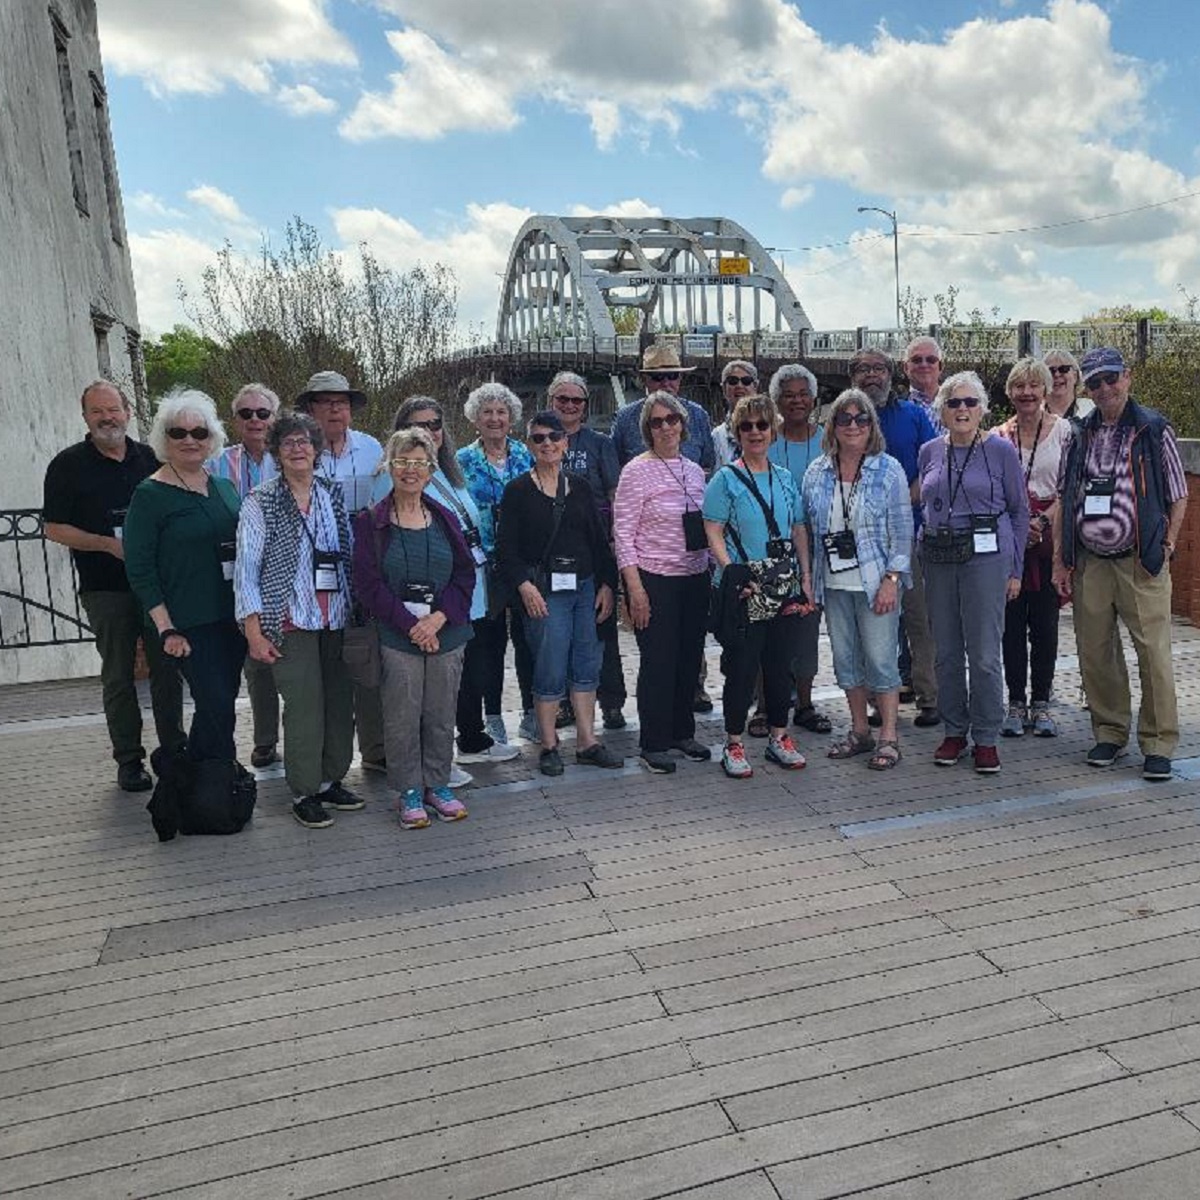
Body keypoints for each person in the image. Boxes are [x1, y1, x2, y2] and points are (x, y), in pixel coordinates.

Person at [1053, 347, 1188, 782]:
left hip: (1139, 561)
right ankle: (1110, 732)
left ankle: (1158, 742)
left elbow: (1178, 493)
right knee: (1096, 654)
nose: (1105, 388)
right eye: (1094, 383)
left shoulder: (1151, 428)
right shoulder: (1080, 433)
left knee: (1153, 654)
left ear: (1126, 377)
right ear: (1086, 388)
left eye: (1111, 378)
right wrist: (1062, 558)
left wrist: (1166, 545)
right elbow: (1065, 495)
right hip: (1092, 562)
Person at [42, 381, 185, 792]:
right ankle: (129, 760)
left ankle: (174, 750)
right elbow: (53, 528)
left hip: (156, 586)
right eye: (97, 411)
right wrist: (107, 544)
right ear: (85, 417)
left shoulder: (152, 457)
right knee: (119, 674)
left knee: (166, 670)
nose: (107, 418)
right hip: (106, 587)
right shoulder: (67, 465)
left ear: (128, 412)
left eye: (113, 409)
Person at [374, 396, 516, 779]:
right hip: (424, 597)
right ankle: (431, 764)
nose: (429, 432)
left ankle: (469, 739)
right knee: (424, 686)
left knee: (464, 672)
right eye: (419, 425)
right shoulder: (392, 477)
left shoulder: (450, 472)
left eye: (435, 424)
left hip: (465, 586)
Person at [235, 411, 362, 828]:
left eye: (304, 441)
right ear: (276, 451)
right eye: (288, 442)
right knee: (305, 708)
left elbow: (346, 552)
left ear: (316, 448)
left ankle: (331, 780)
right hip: (291, 620)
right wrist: (253, 630)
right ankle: (305, 789)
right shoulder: (261, 500)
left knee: (338, 704)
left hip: (335, 617)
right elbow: (246, 570)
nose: (297, 448)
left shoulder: (331, 493)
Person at [354, 428, 475, 829]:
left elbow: (464, 575)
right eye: (402, 461)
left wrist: (438, 619)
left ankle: (437, 784)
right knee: (402, 714)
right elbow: (368, 586)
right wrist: (412, 626)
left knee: (440, 713)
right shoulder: (372, 523)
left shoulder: (445, 517)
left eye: (419, 463)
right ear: (390, 466)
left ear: (430, 469)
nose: (410, 470)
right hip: (397, 635)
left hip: (447, 633)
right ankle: (408, 790)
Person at [496, 410, 622, 777]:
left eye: (554, 437)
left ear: (566, 442)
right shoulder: (517, 491)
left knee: (586, 663)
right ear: (530, 444)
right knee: (549, 666)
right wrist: (524, 586)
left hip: (584, 587)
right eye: (539, 438)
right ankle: (549, 744)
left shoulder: (579, 486)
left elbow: (599, 541)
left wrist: (607, 584)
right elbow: (506, 550)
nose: (548, 443)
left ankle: (587, 741)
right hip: (544, 590)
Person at [123, 389, 246, 766]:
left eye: (200, 432)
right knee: (214, 702)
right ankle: (206, 783)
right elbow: (139, 566)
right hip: (188, 623)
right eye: (179, 433)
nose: (190, 440)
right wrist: (165, 627)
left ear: (212, 439)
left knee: (222, 703)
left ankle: (212, 782)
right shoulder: (150, 495)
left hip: (231, 617)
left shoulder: (222, 486)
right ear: (165, 438)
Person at [918, 372, 1029, 774]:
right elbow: (927, 505)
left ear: (982, 408)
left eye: (969, 403)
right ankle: (954, 730)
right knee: (946, 653)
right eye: (953, 403)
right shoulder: (930, 450)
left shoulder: (1000, 451)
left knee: (983, 654)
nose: (961, 410)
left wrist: (1015, 568)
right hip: (940, 556)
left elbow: (1019, 511)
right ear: (942, 411)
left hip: (986, 558)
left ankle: (986, 735)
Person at [703, 392, 813, 779]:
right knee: (743, 668)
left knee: (780, 665)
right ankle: (733, 742)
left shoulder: (784, 479)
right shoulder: (725, 479)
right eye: (746, 426)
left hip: (781, 583)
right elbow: (712, 529)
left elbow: (797, 528)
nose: (755, 432)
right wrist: (731, 570)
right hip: (745, 587)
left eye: (762, 425)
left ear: (774, 430)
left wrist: (806, 577)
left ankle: (779, 736)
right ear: (736, 432)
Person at [803, 389, 911, 769]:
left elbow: (902, 532)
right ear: (832, 425)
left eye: (860, 419)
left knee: (882, 661)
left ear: (871, 425)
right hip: (832, 584)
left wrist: (892, 579)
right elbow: (808, 530)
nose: (852, 425)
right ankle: (860, 731)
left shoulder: (889, 469)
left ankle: (889, 736)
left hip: (875, 581)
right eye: (843, 418)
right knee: (846, 661)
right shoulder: (816, 471)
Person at [612, 391, 713, 774]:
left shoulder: (693, 469)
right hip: (655, 577)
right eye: (657, 422)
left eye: (672, 419)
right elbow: (623, 534)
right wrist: (634, 588)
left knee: (689, 657)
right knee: (659, 660)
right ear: (647, 430)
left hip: (694, 575)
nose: (666, 427)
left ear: (683, 424)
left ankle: (681, 732)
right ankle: (653, 742)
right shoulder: (636, 471)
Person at [295, 371, 386, 772]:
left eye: (342, 402)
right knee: (324, 671)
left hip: (363, 567)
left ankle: (376, 750)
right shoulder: (296, 452)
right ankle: (325, 761)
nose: (335, 409)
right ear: (310, 409)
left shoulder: (371, 449)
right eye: (326, 402)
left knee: (367, 658)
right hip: (312, 575)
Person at [850, 350, 941, 728]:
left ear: (892, 374)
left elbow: (935, 463)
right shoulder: (847, 419)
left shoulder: (914, 415)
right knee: (875, 623)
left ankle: (930, 697)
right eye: (863, 370)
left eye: (879, 368)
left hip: (913, 534)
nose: (872, 376)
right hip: (865, 541)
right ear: (852, 376)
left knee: (921, 620)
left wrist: (903, 501)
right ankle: (876, 698)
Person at [996, 359, 1072, 738]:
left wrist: (1041, 522)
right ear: (1009, 391)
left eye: (1034, 385)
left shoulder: (1064, 433)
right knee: (1010, 627)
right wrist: (1019, 525)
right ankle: (1014, 701)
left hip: (1048, 538)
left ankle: (1041, 702)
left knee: (1045, 625)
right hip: (1011, 541)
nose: (1027, 393)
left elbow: (1071, 488)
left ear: (1045, 390)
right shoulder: (997, 436)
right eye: (1019, 386)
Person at [457, 381, 537, 742]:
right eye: (487, 412)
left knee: (528, 638)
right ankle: (493, 715)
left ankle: (531, 711)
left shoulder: (526, 455)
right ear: (475, 418)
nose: (494, 418)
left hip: (522, 560)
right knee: (488, 644)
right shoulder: (462, 460)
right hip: (482, 563)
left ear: (512, 418)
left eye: (501, 412)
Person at [208, 383, 282, 769]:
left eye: (263, 413)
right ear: (234, 420)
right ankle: (264, 739)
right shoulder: (216, 463)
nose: (255, 420)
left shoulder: (288, 457)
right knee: (251, 666)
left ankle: (294, 737)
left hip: (281, 573)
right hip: (231, 570)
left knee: (277, 659)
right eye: (246, 413)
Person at [548, 371, 626, 731]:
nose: (569, 405)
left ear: (585, 406)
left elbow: (614, 493)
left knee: (601, 627)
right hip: (552, 550)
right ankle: (563, 701)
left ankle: (611, 701)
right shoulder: (541, 439)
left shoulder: (599, 443)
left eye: (576, 400)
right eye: (562, 399)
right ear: (551, 402)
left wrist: (614, 542)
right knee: (558, 629)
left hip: (595, 546)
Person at [767, 363, 829, 734]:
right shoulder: (763, 438)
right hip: (772, 553)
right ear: (776, 400)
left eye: (803, 393)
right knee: (769, 632)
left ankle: (805, 704)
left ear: (814, 398)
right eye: (788, 394)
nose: (796, 401)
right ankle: (766, 706)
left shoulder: (827, 440)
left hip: (817, 553)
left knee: (806, 632)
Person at [610, 342, 716, 470]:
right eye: (657, 377)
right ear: (644, 379)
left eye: (672, 376)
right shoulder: (624, 419)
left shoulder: (699, 415)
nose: (666, 383)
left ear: (680, 378)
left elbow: (708, 466)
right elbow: (613, 468)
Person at [712, 360, 759, 467]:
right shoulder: (717, 435)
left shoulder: (769, 428)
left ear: (755, 386)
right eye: (733, 381)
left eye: (746, 381)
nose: (739, 385)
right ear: (724, 388)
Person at [1042, 349, 1095, 421]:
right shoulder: (1033, 411)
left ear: (1075, 376)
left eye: (1064, 369)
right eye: (1051, 370)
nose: (1057, 374)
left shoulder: (1092, 409)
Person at [903, 336, 943, 408]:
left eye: (931, 360)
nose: (924, 365)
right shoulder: (892, 406)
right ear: (906, 368)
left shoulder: (958, 402)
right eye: (917, 360)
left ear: (940, 366)